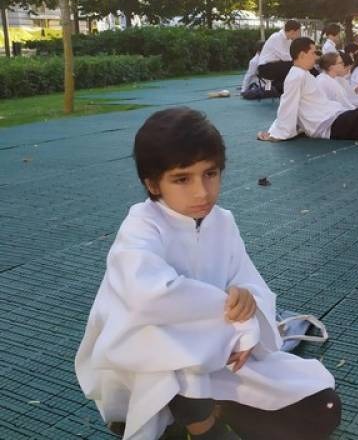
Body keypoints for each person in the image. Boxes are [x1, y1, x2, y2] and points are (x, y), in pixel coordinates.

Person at [75, 108, 340, 440]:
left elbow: (247, 280)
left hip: (220, 356)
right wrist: (234, 325)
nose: (201, 192)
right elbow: (150, 299)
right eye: (182, 179)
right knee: (162, 343)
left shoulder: (222, 222)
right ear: (152, 183)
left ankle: (207, 415)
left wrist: (246, 302)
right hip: (152, 371)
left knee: (323, 408)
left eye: (210, 174)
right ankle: (197, 424)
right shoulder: (141, 228)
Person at [256, 37, 358, 142]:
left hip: (333, 117)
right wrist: (277, 133)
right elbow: (288, 105)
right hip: (326, 125)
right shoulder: (295, 76)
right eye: (313, 53)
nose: (316, 57)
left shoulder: (304, 74)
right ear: (302, 55)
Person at [257, 20, 303, 94]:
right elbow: (286, 57)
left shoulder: (288, 40)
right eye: (299, 32)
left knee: (296, 67)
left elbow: (289, 56)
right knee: (296, 67)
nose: (299, 35)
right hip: (265, 67)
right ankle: (280, 88)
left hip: (276, 65)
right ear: (292, 32)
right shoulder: (276, 37)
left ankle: (280, 89)